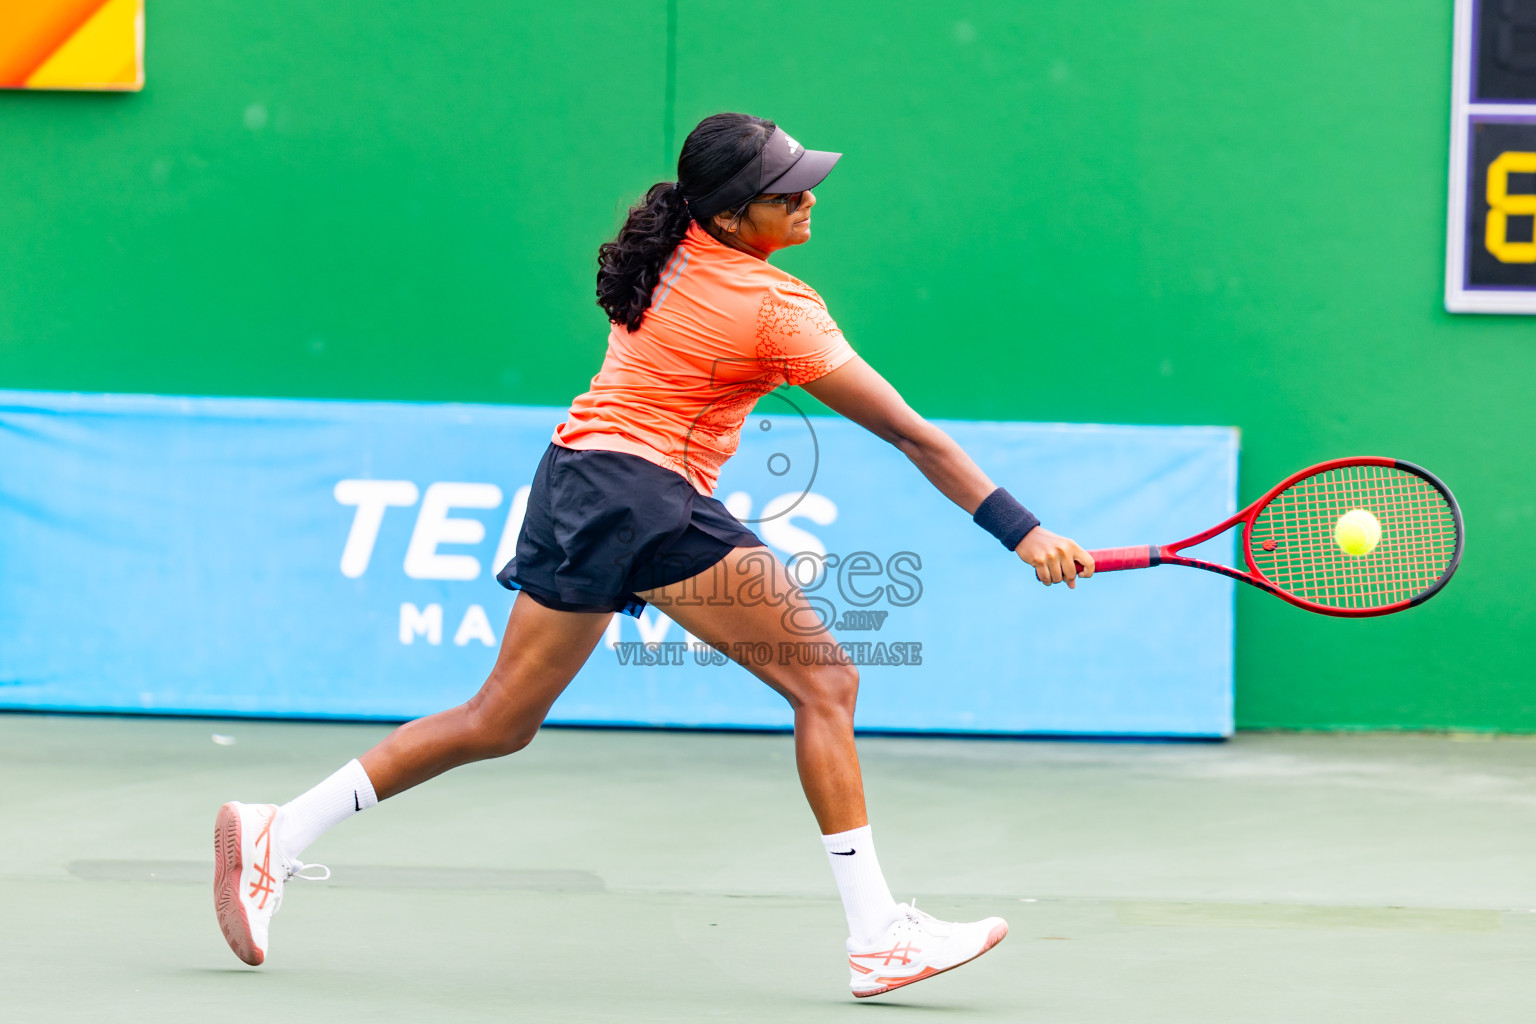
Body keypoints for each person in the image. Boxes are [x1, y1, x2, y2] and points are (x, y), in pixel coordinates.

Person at [212, 112, 1095, 999]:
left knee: (498, 721)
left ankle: (277, 833)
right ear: (729, 214)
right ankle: (878, 937)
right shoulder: (779, 309)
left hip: (571, 478)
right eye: (783, 190)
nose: (808, 197)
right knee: (825, 682)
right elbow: (911, 435)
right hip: (645, 495)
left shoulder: (668, 243)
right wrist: (1027, 532)